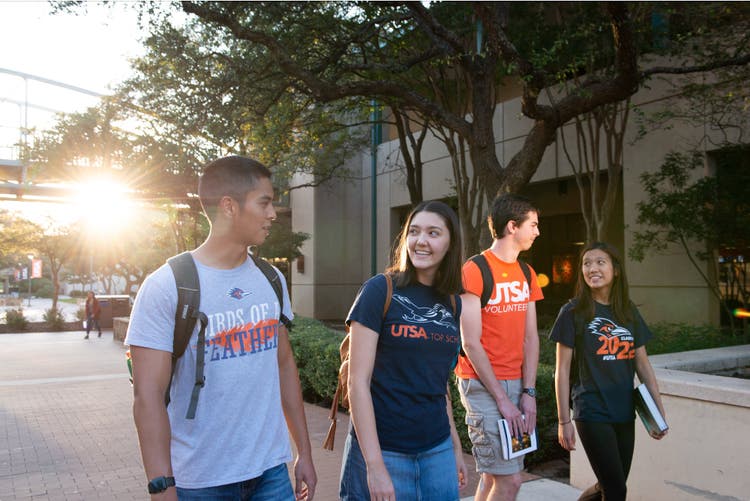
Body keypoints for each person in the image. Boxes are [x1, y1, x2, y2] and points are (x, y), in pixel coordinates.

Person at [125, 156, 316, 500]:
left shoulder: (271, 279)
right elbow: (147, 398)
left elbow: (284, 364)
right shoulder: (167, 286)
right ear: (229, 206)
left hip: (271, 474)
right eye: (265, 202)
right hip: (198, 482)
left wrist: (304, 451)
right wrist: (161, 487)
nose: (273, 213)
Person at [340, 200, 468, 501]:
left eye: (434, 233)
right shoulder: (379, 290)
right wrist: (373, 466)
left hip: (436, 451)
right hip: (383, 449)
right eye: (414, 231)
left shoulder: (452, 303)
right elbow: (357, 382)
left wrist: (454, 446)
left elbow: (439, 384)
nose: (421, 241)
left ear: (450, 244)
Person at [550, 241, 667, 501]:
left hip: (625, 411)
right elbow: (562, 370)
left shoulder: (627, 310)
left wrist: (658, 411)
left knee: (610, 485)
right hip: (592, 410)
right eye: (586, 263)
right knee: (616, 490)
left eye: (600, 262)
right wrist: (563, 421)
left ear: (616, 269)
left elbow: (643, 365)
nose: (592, 268)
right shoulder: (572, 312)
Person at [455, 193, 543, 501]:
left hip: (516, 385)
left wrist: (527, 393)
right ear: (512, 227)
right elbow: (470, 343)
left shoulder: (527, 273)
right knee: (511, 481)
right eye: (532, 224)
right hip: (482, 386)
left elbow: (531, 338)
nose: (537, 231)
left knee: (495, 476)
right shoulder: (474, 270)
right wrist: (503, 400)